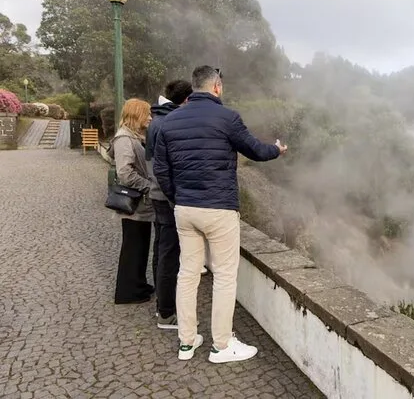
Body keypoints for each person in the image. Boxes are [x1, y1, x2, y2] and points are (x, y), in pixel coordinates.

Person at [153, 65, 287, 362]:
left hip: (185, 209)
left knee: (187, 274)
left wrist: (179, 198)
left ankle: (187, 342)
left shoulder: (169, 121)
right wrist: (277, 150)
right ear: (216, 87)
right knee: (225, 276)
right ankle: (222, 346)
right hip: (219, 209)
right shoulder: (227, 117)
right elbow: (255, 150)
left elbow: (161, 170)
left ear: (194, 86)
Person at [145, 80, 192, 329]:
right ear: (186, 100)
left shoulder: (157, 119)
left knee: (161, 250)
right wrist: (176, 197)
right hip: (166, 197)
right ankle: (166, 312)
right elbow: (164, 168)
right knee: (169, 254)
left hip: (157, 195)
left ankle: (161, 306)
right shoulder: (167, 122)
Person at [109, 98, 155, 304]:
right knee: (133, 248)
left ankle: (138, 285)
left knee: (140, 247)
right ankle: (128, 292)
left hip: (140, 205)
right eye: (147, 114)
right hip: (135, 204)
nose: (150, 118)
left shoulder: (133, 137)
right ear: (137, 115)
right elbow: (125, 173)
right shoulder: (124, 139)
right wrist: (149, 186)